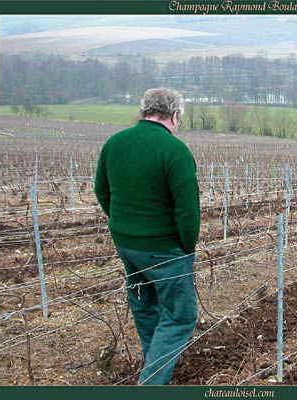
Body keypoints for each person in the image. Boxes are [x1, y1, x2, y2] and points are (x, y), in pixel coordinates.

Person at [94, 88, 200, 385]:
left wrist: (121, 223)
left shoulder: (114, 143)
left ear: (145, 111)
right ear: (175, 115)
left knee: (145, 306)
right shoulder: (175, 150)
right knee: (180, 315)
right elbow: (188, 211)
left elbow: (101, 191)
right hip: (164, 249)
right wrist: (186, 249)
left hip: (127, 246)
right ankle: (152, 382)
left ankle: (153, 367)